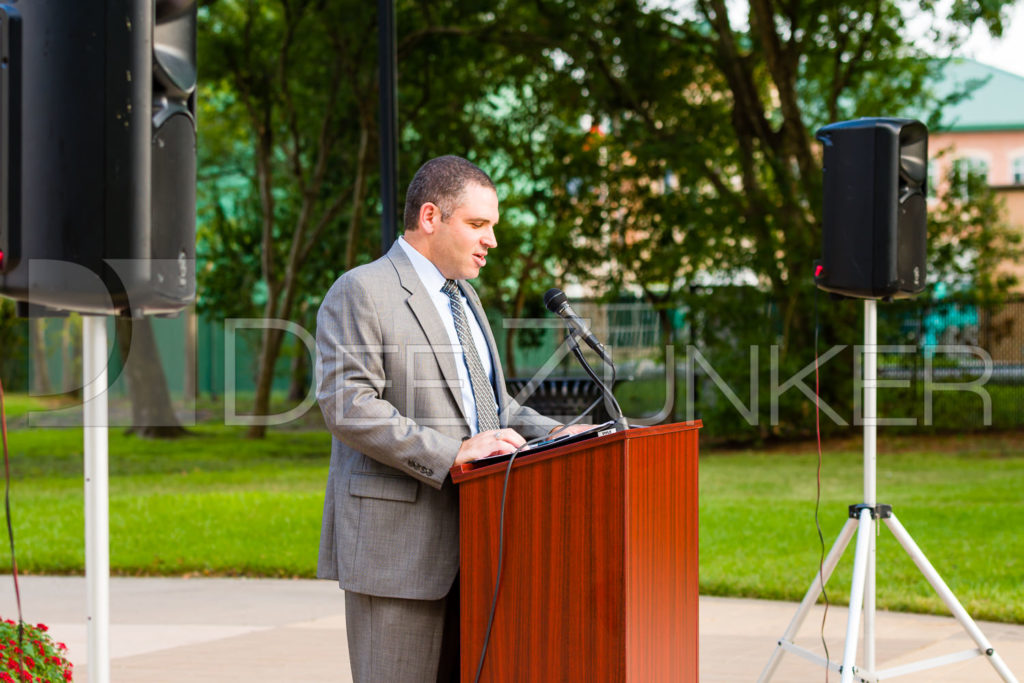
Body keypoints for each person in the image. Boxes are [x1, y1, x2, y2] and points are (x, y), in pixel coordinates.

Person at [315, 155, 583, 682]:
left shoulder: (466, 299)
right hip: (398, 552)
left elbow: (492, 404)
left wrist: (555, 434)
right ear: (431, 217)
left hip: (482, 548)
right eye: (478, 225)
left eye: (492, 227)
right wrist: (452, 453)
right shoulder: (362, 289)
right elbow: (347, 403)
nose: (491, 241)